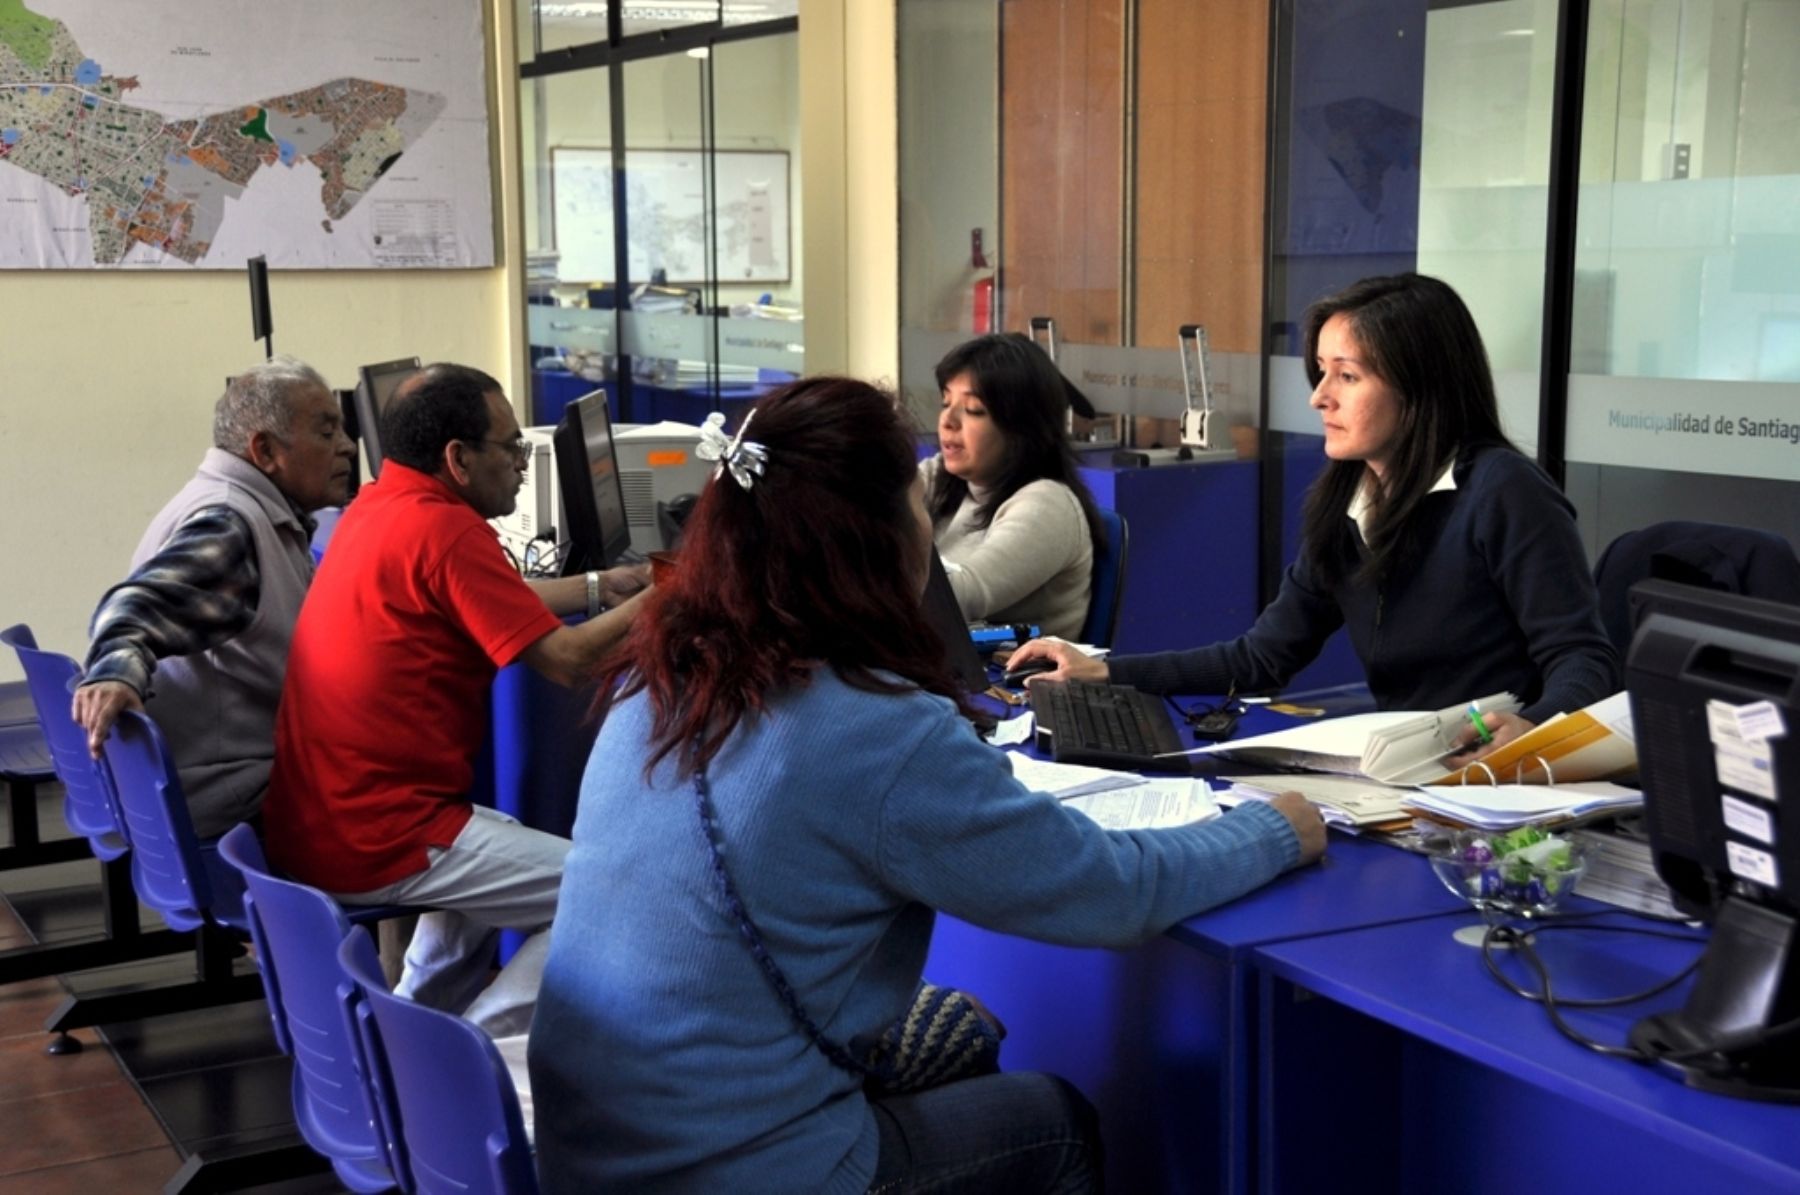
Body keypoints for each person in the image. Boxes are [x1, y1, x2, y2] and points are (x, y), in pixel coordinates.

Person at [529, 376, 1325, 1193]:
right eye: (915, 503)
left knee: (962, 1033)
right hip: (741, 1169)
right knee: (1054, 1121)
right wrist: (1273, 828)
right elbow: (1114, 892)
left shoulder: (657, 681)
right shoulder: (876, 726)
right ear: (874, 539)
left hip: (591, 1155)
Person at [1010, 273, 1619, 756]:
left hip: (1495, 784)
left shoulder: (1504, 492)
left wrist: (1530, 729)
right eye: (1321, 371)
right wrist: (1105, 673)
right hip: (1407, 773)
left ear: (1421, 389)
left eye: (1347, 375)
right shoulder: (1348, 500)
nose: (1319, 396)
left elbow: (1584, 661)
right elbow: (1261, 658)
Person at [261, 363, 647, 1036]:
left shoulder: (381, 507)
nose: (523, 464)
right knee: (617, 894)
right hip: (381, 834)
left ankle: (404, 1038)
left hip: (327, 817)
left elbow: (489, 599)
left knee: (503, 846)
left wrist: (600, 589)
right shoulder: (447, 531)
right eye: (511, 448)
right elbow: (566, 661)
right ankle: (486, 1050)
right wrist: (676, 594)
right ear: (458, 459)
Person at [73, 357, 354, 838]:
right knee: (414, 793)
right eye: (327, 433)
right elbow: (131, 610)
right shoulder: (229, 523)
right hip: (233, 794)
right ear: (265, 450)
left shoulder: (235, 502)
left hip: (210, 780)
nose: (348, 447)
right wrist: (117, 672)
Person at [922, 332, 1103, 640]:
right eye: (946, 403)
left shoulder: (1048, 505)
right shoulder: (943, 475)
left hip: (1005, 684)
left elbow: (958, 598)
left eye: (974, 409)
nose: (947, 421)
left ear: (1022, 426)